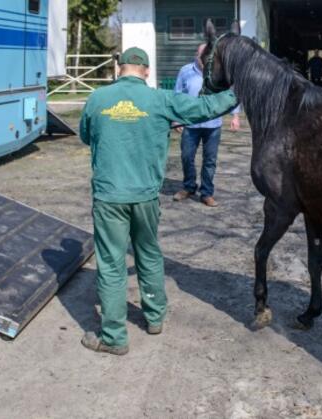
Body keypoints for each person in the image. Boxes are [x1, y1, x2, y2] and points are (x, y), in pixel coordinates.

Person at [78, 47, 238, 355]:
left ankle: (113, 337)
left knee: (111, 263)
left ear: (119, 68)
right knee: (148, 253)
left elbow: (87, 135)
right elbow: (205, 107)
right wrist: (237, 92)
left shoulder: (97, 99)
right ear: (147, 71)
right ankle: (154, 317)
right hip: (146, 196)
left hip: (109, 195)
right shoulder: (161, 100)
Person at [172, 43, 241, 207]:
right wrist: (175, 119)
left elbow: (230, 94)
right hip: (190, 123)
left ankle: (206, 193)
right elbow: (177, 95)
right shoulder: (185, 71)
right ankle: (189, 187)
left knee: (210, 160)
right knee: (187, 157)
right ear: (197, 55)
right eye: (202, 55)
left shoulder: (220, 71)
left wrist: (236, 115)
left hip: (213, 125)